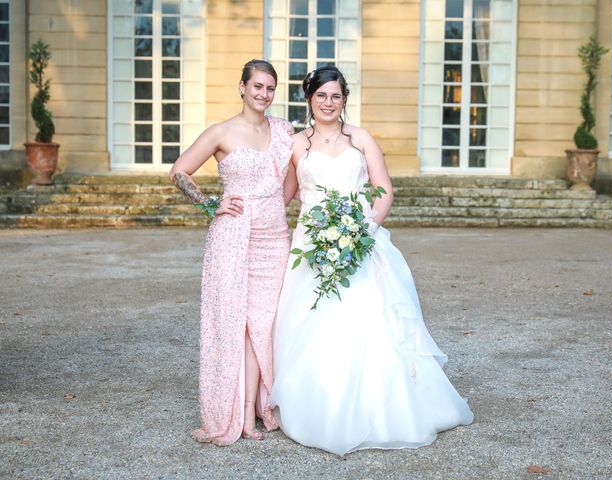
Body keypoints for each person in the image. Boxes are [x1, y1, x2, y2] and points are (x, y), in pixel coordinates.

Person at [271, 66, 474, 455]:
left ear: (344, 99)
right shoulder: (296, 144)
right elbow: (285, 195)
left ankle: (382, 407)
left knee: (366, 322)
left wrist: (362, 231)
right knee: (311, 321)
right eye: (321, 96)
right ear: (309, 99)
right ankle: (317, 405)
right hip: (312, 243)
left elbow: (383, 191)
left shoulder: (360, 138)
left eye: (336, 96)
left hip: (359, 240)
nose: (328, 103)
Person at [169, 59, 293, 444]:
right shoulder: (221, 132)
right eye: (257, 86)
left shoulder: (284, 131)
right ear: (242, 87)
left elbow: (294, 180)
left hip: (274, 237)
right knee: (235, 323)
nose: (264, 94)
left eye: (270, 88)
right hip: (234, 234)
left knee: (264, 324)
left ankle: (255, 409)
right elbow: (179, 171)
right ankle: (238, 415)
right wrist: (210, 205)